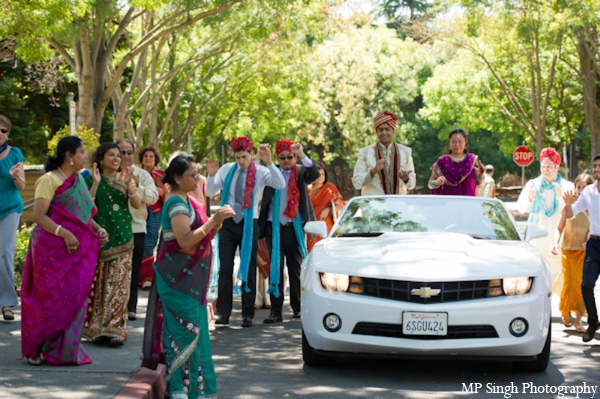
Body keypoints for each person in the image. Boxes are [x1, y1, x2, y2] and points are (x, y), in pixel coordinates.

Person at [151, 155, 234, 399]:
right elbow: (185, 240)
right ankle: (178, 388)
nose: (197, 178)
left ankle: (195, 389)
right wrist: (213, 222)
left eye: (197, 173)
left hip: (191, 282)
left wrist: (217, 223)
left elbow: (204, 235)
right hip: (176, 280)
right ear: (177, 178)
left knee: (196, 333)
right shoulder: (175, 203)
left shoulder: (190, 200)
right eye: (193, 174)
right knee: (184, 332)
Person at [21, 136, 107, 365]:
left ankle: (63, 350)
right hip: (50, 251)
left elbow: (84, 216)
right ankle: (38, 348)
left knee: (74, 297)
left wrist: (98, 230)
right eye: (81, 152)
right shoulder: (48, 180)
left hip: (76, 252)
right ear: (69, 155)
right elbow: (39, 216)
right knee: (49, 299)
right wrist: (65, 233)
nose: (85, 157)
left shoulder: (78, 180)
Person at [205, 137, 285, 328]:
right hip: (228, 221)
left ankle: (247, 314)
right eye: (237, 157)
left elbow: (279, 184)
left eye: (244, 156)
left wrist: (270, 162)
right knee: (225, 267)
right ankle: (223, 313)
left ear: (251, 154)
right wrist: (210, 175)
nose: (241, 161)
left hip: (250, 223)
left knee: (249, 266)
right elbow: (210, 192)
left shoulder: (261, 171)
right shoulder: (226, 169)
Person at [83, 143, 141, 346]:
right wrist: (96, 184)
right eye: (111, 155)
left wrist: (129, 184)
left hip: (124, 238)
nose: (117, 158)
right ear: (100, 159)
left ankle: (116, 330)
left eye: (119, 155)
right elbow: (85, 209)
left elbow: (136, 204)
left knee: (120, 286)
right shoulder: (90, 179)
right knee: (101, 285)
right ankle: (99, 329)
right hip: (100, 239)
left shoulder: (125, 179)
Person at [259, 140, 320, 323]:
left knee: (295, 270)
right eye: (282, 157)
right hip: (274, 228)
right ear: (277, 158)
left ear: (294, 157)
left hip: (294, 227)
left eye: (290, 157)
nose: (286, 161)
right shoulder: (271, 172)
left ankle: (298, 309)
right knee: (275, 268)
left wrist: (302, 154)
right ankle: (275, 311)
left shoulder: (301, 171)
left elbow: (315, 175)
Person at [517, 147, 574, 293]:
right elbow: (521, 208)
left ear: (557, 167)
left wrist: (562, 198)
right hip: (538, 243)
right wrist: (530, 198)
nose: (545, 169)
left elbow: (573, 214)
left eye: (549, 166)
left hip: (559, 242)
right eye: (543, 166)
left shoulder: (568, 186)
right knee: (538, 284)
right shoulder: (533, 184)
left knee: (561, 284)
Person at [116, 139, 159, 321]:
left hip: (136, 227)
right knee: (116, 271)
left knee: (133, 270)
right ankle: (114, 308)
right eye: (121, 152)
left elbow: (152, 197)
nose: (125, 156)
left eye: (128, 152)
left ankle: (131, 307)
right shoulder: (110, 174)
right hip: (114, 229)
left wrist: (136, 185)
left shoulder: (142, 174)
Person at [563, 156, 600, 343]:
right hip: (594, 244)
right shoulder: (589, 193)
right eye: (595, 166)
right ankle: (593, 322)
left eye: (599, 166)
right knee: (586, 285)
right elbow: (571, 213)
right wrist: (568, 204)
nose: (597, 169)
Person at [552, 173, 593, 332]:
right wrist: (555, 242)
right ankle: (565, 310)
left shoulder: (593, 205)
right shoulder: (569, 206)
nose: (581, 190)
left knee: (582, 285)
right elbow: (559, 227)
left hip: (585, 252)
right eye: (579, 187)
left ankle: (579, 320)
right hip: (568, 250)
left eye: (585, 187)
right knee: (569, 283)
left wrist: (589, 240)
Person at [352, 111, 415, 195]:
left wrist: (406, 179)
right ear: (376, 132)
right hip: (373, 204)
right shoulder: (365, 153)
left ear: (393, 131)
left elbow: (412, 185)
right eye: (381, 130)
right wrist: (373, 171)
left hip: (399, 204)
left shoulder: (405, 152)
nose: (384, 133)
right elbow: (356, 183)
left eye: (387, 129)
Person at [0, 115, 25, 321]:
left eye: (4, 130)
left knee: (5, 253)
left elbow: (22, 186)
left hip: (10, 209)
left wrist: (14, 176)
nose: (1, 134)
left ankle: (7, 303)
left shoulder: (15, 153)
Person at [428, 128, 486, 195]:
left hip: (467, 203)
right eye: (454, 142)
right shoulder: (442, 161)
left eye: (460, 142)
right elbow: (430, 185)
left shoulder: (473, 160)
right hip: (447, 203)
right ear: (449, 142)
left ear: (465, 142)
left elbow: (480, 185)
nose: (457, 145)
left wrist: (482, 175)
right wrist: (436, 183)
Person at [138, 146, 165, 289]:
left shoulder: (159, 175)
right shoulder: (136, 173)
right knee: (138, 244)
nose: (148, 158)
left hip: (155, 212)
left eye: (151, 156)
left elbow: (164, 192)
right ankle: (138, 277)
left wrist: (147, 189)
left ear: (155, 160)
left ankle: (147, 277)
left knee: (149, 243)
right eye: (145, 156)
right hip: (138, 211)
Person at [307, 162, 345, 252]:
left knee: (327, 251)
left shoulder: (330, 187)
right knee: (313, 253)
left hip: (327, 226)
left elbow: (340, 205)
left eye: (323, 174)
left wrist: (328, 209)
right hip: (312, 227)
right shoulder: (306, 190)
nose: (321, 177)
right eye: (318, 175)